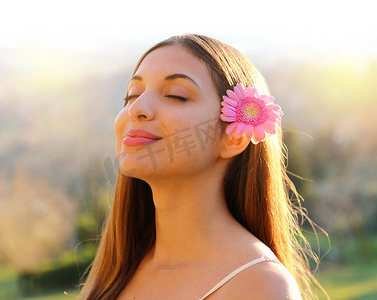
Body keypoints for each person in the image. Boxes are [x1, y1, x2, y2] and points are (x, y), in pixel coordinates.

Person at [78, 34, 323, 300]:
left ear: (234, 137)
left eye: (176, 95)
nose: (137, 108)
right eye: (132, 95)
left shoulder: (259, 286)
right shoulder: (115, 273)